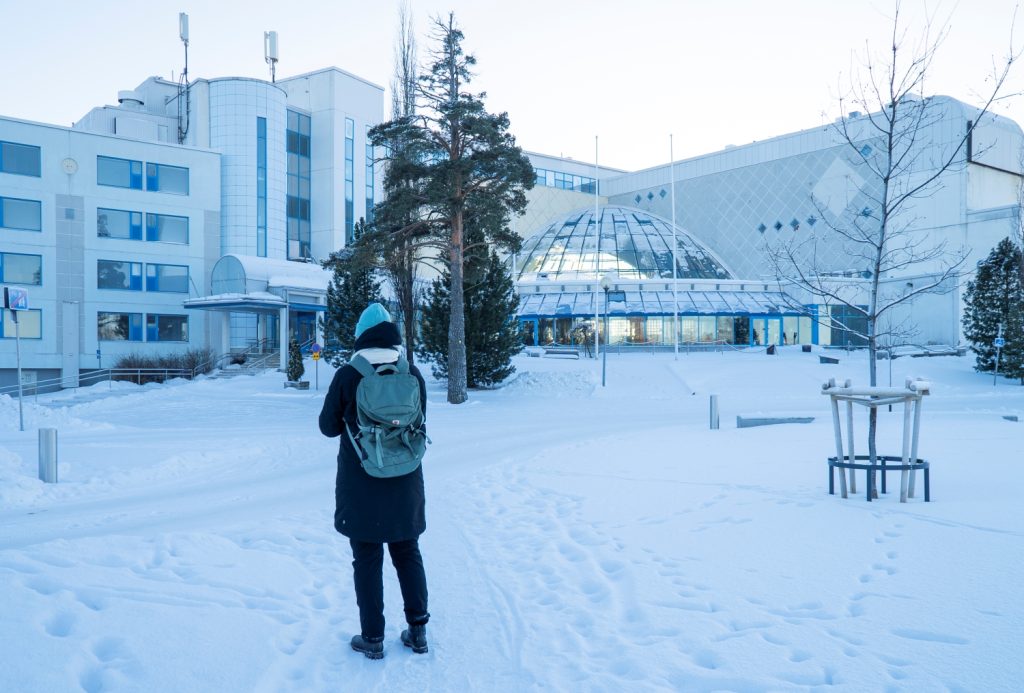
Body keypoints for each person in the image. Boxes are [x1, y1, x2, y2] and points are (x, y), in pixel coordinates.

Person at [318, 303, 430, 659]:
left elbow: (327, 427)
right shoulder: (411, 372)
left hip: (362, 482)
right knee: (407, 552)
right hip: (405, 480)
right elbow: (419, 420)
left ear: (360, 336)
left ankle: (373, 638)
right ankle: (418, 632)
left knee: (367, 559)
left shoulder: (349, 374)